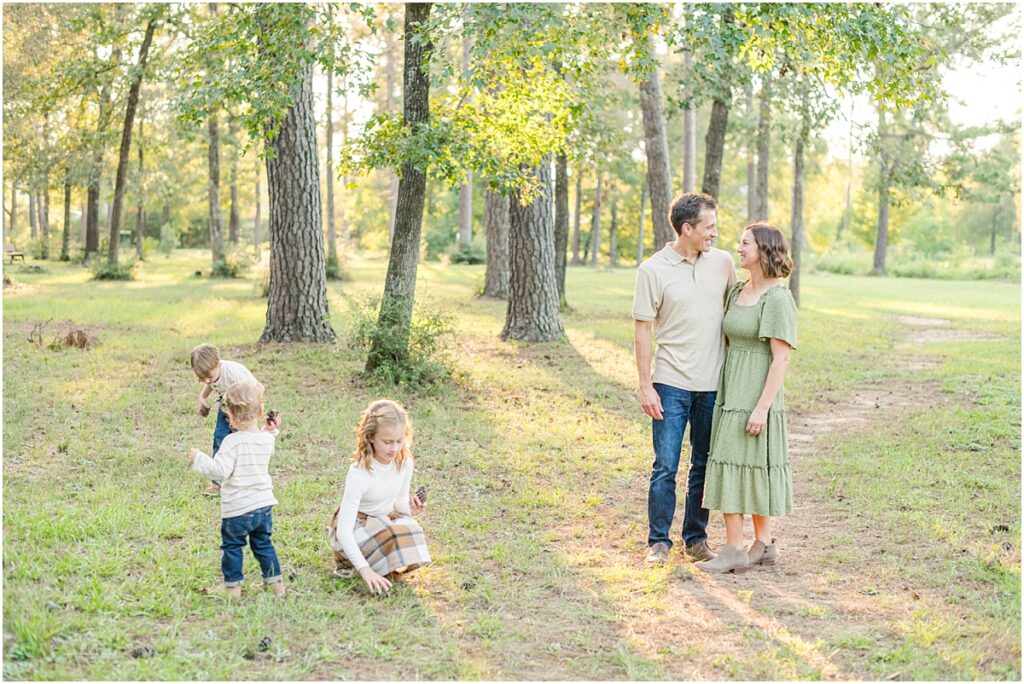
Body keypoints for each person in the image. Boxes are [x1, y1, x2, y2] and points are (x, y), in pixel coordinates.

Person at [633, 192, 737, 565]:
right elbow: (643, 330)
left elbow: (734, 312)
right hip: (670, 381)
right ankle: (658, 542)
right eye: (708, 227)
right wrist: (646, 385)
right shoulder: (653, 270)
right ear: (687, 228)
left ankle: (696, 538)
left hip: (712, 384)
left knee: (704, 463)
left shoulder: (723, 263)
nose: (714, 233)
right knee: (665, 465)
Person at [696, 224, 798, 574]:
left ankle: (733, 550)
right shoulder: (738, 289)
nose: (738, 248)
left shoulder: (777, 297)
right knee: (739, 463)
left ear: (764, 250)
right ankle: (763, 544)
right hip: (731, 388)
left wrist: (762, 407)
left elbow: (781, 358)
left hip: (757, 393)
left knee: (741, 463)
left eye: (745, 243)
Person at [187, 380, 285, 597]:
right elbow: (266, 442)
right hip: (263, 506)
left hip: (238, 509)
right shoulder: (265, 440)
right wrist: (270, 430)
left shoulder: (232, 442)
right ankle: (275, 584)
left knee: (232, 547)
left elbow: (220, 471)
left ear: (229, 415)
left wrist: (199, 459)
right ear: (260, 411)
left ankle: (232, 587)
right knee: (263, 545)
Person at [328, 399, 430, 595]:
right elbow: (344, 531)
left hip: (384, 520)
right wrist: (365, 571)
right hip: (357, 525)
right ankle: (359, 563)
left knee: (412, 529)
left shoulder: (404, 462)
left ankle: (383, 563)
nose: (394, 449)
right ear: (371, 437)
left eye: (399, 441)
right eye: (387, 442)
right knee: (391, 533)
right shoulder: (359, 472)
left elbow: (399, 504)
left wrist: (411, 511)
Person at [190, 343, 258, 495]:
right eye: (202, 379)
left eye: (209, 377)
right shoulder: (212, 375)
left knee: (241, 443)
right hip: (227, 404)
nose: (207, 381)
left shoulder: (235, 375)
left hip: (244, 406)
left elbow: (256, 391)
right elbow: (212, 384)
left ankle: (246, 480)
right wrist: (202, 397)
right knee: (220, 439)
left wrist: (242, 415)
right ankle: (218, 484)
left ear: (219, 364)